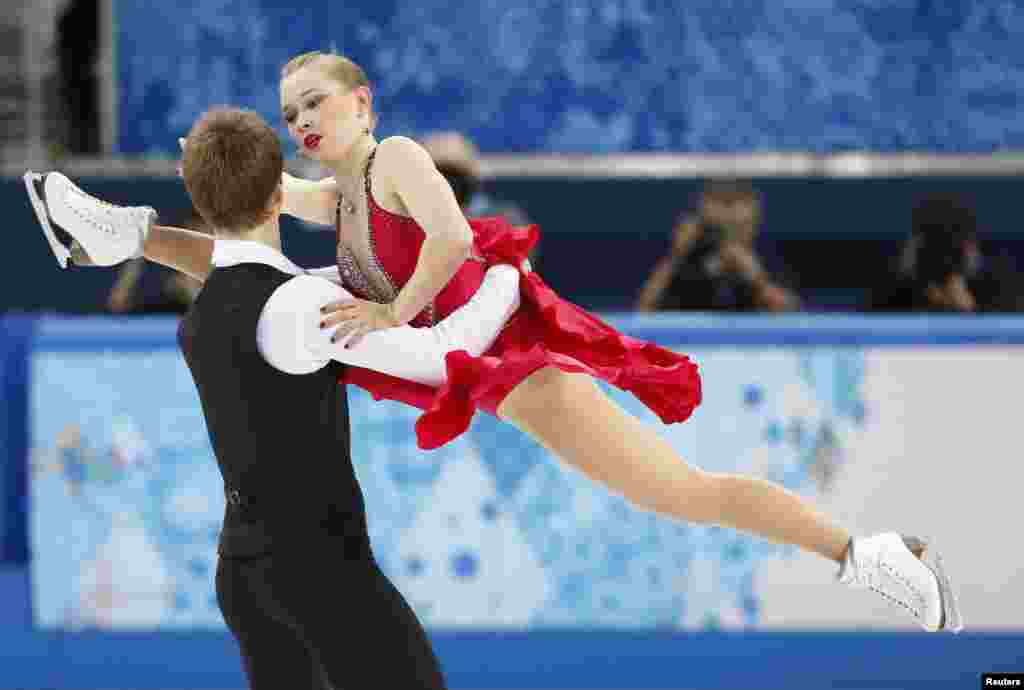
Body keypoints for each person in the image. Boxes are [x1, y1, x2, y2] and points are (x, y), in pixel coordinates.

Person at [29, 51, 961, 634]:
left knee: (680, 492)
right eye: (291, 112)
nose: (304, 122)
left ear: (364, 101)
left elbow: (453, 241)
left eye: (317, 102)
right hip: (447, 348)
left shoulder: (393, 160)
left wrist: (396, 313)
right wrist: (196, 188)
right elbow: (255, 216)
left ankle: (869, 555)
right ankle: (115, 231)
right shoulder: (342, 189)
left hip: (506, 356)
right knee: (249, 272)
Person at [28, 107, 529, 689]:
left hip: (244, 572)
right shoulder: (296, 304)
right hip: (319, 571)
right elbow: (446, 356)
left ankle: (128, 230)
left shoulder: (220, 302)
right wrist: (508, 276)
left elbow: (264, 271)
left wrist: (143, 238)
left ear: (199, 198)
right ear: (278, 200)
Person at [635, 180, 801, 313]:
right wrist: (676, 255)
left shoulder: (772, 258)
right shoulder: (688, 261)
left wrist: (756, 278)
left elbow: (791, 317)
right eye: (722, 202)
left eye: (739, 202)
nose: (731, 213)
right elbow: (644, 311)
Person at [866, 194, 1024, 313]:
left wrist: (968, 309)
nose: (944, 259)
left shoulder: (1000, 292)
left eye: (953, 246)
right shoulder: (890, 297)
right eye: (933, 245)